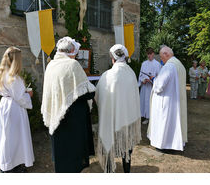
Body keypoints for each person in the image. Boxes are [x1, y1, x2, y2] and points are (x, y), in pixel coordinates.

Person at [41, 36, 96, 173]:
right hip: (73, 118)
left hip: (57, 114)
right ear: (71, 51)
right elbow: (87, 92)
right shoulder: (72, 65)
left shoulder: (50, 65)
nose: (75, 56)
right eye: (75, 53)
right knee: (73, 155)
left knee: (61, 155)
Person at [95, 44, 141, 173]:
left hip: (111, 118)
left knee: (109, 142)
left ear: (112, 58)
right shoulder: (131, 73)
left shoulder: (107, 75)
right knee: (127, 146)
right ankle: (127, 169)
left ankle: (109, 169)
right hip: (128, 118)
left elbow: (98, 96)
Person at [0, 46, 34, 173]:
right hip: (14, 109)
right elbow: (20, 97)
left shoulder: (3, 73)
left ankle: (11, 163)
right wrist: (29, 95)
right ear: (16, 60)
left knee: (8, 136)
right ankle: (10, 167)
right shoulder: (13, 78)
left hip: (6, 106)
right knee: (14, 137)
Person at [147, 46, 187, 151]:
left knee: (165, 122)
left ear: (166, 54)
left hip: (166, 100)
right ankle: (174, 143)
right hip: (175, 99)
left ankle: (164, 144)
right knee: (173, 122)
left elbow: (159, 86)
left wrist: (154, 80)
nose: (161, 60)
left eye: (161, 57)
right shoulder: (179, 64)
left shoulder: (169, 66)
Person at [138, 47, 161, 124]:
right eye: (148, 54)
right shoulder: (144, 64)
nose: (149, 56)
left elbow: (159, 77)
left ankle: (152, 118)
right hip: (145, 87)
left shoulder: (157, 64)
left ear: (153, 54)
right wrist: (143, 80)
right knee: (144, 101)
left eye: (150, 54)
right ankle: (145, 116)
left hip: (152, 87)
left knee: (151, 102)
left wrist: (152, 80)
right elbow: (140, 75)